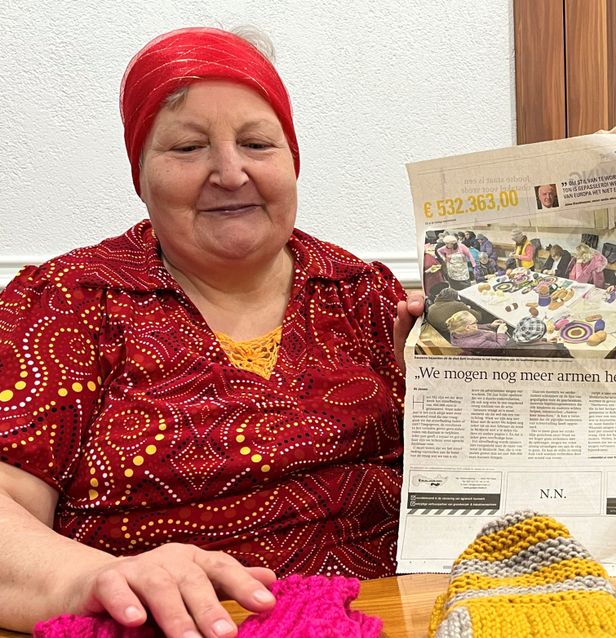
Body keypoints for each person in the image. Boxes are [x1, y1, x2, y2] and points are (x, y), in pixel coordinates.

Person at [0, 27, 426, 636]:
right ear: (140, 174)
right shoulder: (69, 302)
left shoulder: (363, 292)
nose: (230, 173)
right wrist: (90, 579)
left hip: (394, 618)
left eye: (257, 142)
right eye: (187, 148)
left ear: (291, 160)